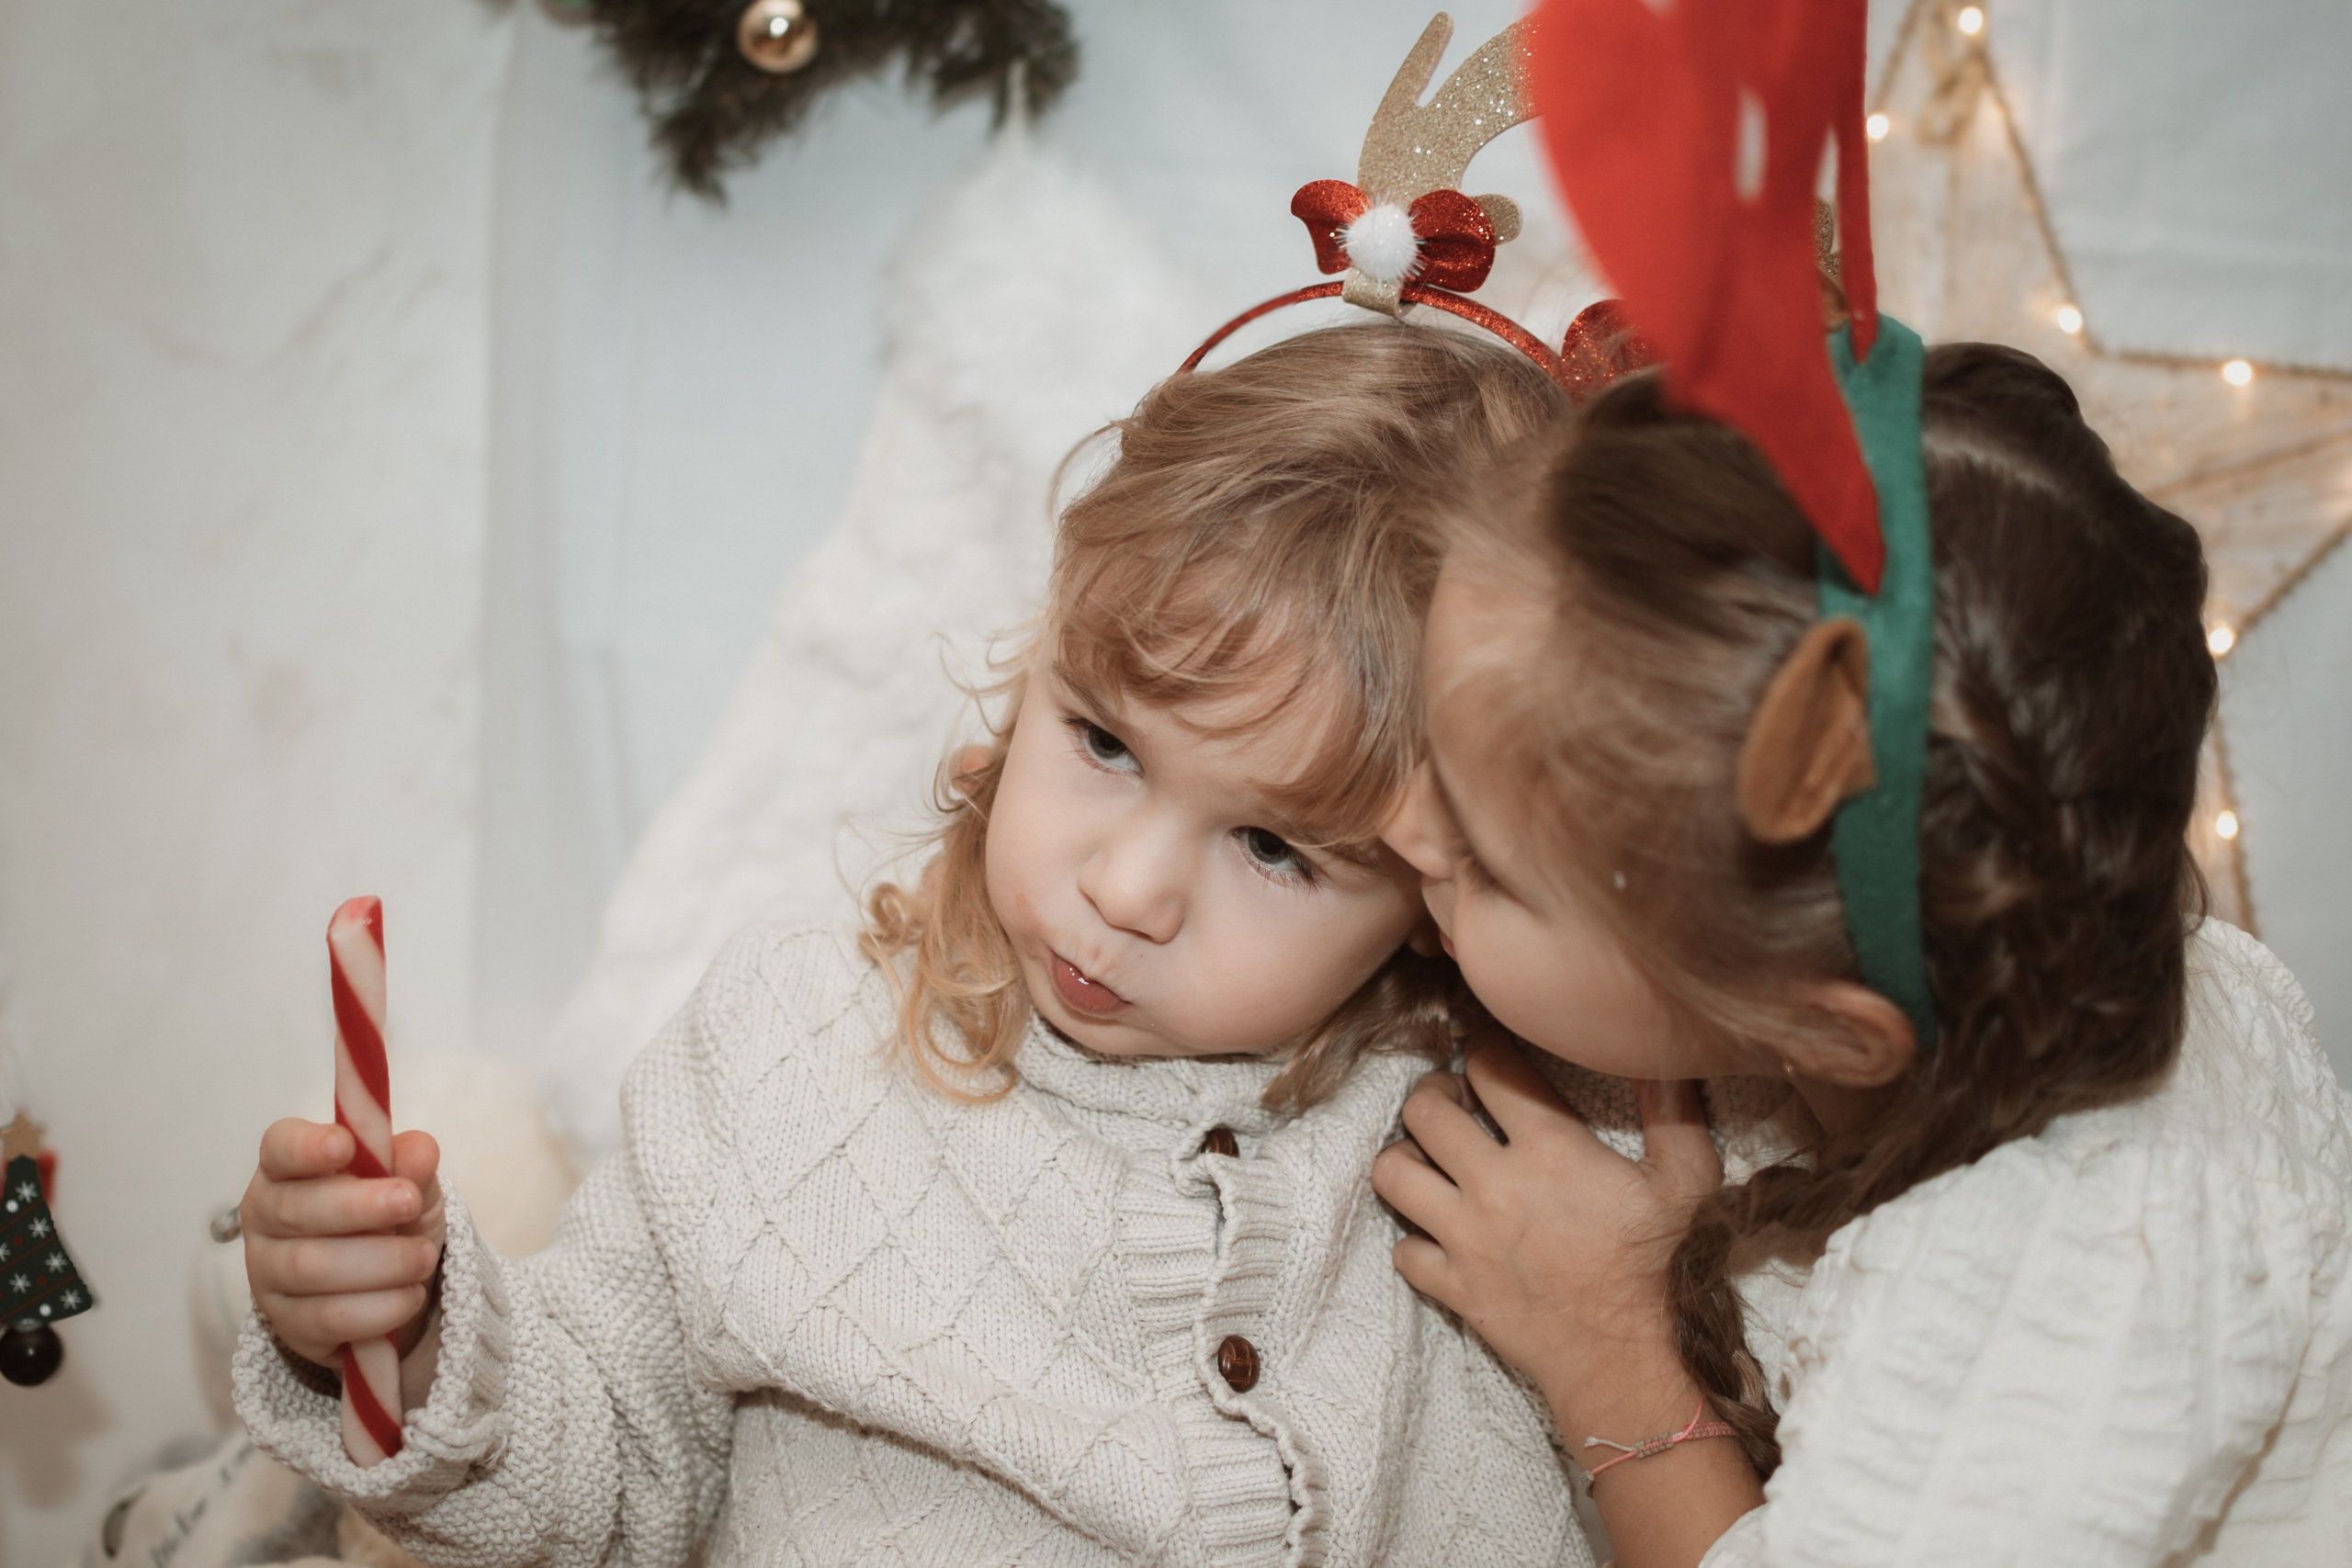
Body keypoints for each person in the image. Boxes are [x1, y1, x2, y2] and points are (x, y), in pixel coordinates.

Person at [232, 322, 1606, 1568]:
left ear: (1445, 884)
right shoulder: (785, 1056)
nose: (1125, 889)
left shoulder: (1511, 1144)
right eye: (1106, 742)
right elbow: (596, 1480)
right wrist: (395, 1344)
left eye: (1274, 849)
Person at [1375, 342, 2352, 1566]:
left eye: (1489, 861)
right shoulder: (1980, 933)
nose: (1396, 823)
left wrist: (1611, 1360)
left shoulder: (2068, 1296)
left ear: (1825, 1026)